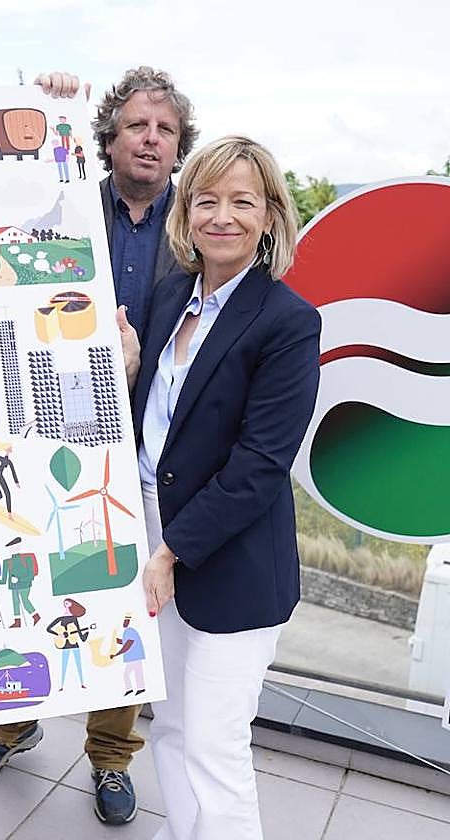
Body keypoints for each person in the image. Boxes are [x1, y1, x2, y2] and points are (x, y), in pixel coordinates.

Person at [0, 66, 200, 827]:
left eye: (164, 129)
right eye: (136, 125)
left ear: (179, 145)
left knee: (123, 609)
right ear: (108, 138)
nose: (151, 138)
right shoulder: (60, 206)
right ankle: (11, 722)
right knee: (25, 581)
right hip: (44, 432)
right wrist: (38, 97)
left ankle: (110, 757)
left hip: (146, 451)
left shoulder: (197, 229)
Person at [128, 135, 318, 840]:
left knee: (215, 744)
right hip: (152, 533)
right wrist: (127, 368)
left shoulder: (287, 322)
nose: (223, 216)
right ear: (186, 208)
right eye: (207, 199)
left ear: (270, 215)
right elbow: (161, 421)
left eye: (243, 201)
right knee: (172, 725)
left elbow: (259, 465)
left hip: (226, 559)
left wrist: (171, 552)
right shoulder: (169, 295)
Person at [47, 597, 93, 689]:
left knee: (78, 664)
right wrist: (58, 634)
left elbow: (80, 634)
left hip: (74, 644)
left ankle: (82, 683)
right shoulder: (60, 619)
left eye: (67, 603)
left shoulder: (74, 619)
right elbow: (48, 629)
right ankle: (61, 686)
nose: (65, 605)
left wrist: (86, 633)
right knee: (64, 665)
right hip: (64, 645)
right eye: (65, 603)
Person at [0, 537, 40, 629]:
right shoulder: (7, 562)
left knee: (25, 601)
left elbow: (31, 575)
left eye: (13, 547)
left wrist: (19, 579)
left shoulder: (27, 558)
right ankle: (17, 622)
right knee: (15, 603)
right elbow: (3, 580)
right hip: (13, 586)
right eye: (10, 548)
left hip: (25, 584)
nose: (11, 550)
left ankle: (36, 617)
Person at [110, 614, 146, 696]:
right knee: (136, 673)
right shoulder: (128, 631)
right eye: (124, 621)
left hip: (134, 657)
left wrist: (115, 655)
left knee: (129, 674)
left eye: (125, 621)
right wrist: (114, 639)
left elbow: (127, 645)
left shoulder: (130, 631)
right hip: (133, 657)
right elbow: (125, 642)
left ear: (129, 621)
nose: (124, 622)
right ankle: (137, 689)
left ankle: (136, 689)